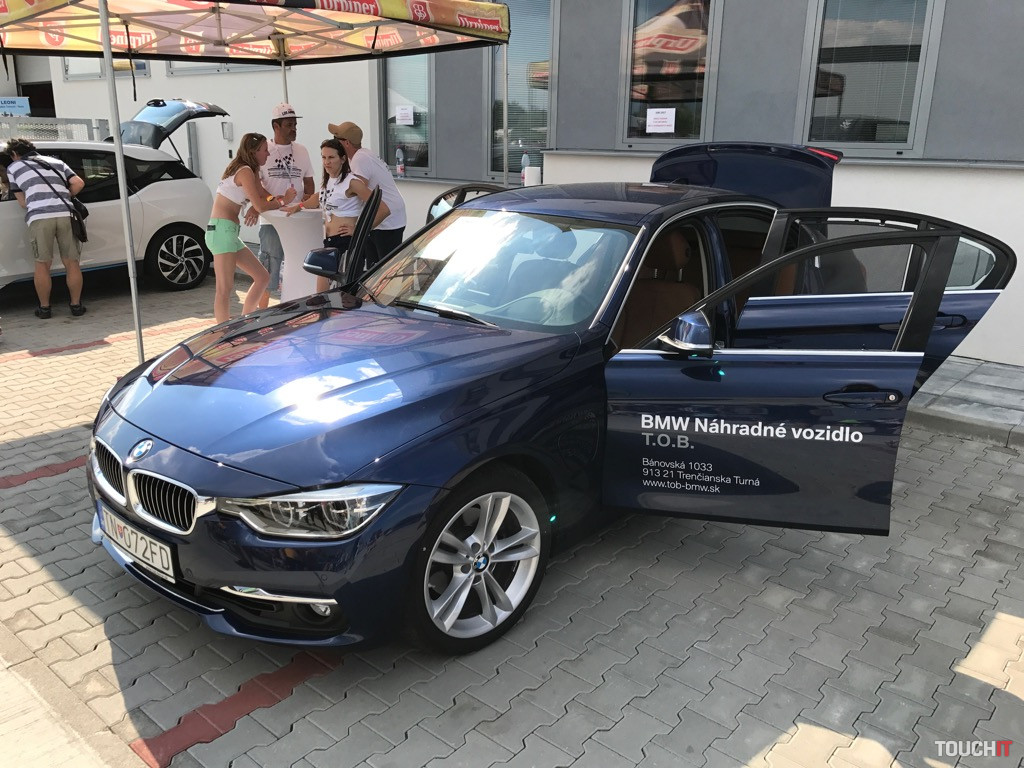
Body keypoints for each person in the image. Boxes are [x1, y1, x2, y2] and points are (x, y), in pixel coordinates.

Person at [207, 132, 297, 324]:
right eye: (265, 150)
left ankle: (246, 321)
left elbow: (264, 195)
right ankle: (223, 332)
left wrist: (277, 199)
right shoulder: (245, 171)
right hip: (222, 231)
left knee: (262, 277)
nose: (268, 154)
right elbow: (261, 205)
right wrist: (282, 201)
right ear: (253, 151)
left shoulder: (252, 171)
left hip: (229, 233)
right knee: (224, 289)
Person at [5, 137, 87, 319]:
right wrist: (63, 197)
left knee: (42, 264)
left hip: (40, 217)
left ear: (14, 153)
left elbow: (23, 203)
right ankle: (76, 306)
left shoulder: (14, 167)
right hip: (65, 214)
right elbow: (79, 183)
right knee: (72, 262)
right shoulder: (56, 162)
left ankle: (44, 309)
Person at [283, 137, 370, 292]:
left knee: (344, 291)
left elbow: (381, 207)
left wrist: (359, 229)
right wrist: (299, 206)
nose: (326, 162)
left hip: (346, 242)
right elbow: (320, 196)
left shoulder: (352, 182)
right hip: (330, 240)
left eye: (331, 157)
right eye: (323, 157)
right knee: (322, 287)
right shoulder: (329, 181)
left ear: (342, 159)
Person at [251, 103, 315, 308]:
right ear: (275, 126)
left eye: (295, 124)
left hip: (298, 219)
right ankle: (262, 313)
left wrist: (305, 204)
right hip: (272, 220)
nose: (294, 128)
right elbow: (255, 186)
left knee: (299, 266)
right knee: (269, 267)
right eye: (289, 125)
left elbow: (309, 183)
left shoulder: (302, 150)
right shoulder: (264, 151)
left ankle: (298, 309)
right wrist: (267, 203)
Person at [327, 121, 408, 271]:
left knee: (385, 271)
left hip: (386, 219)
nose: (334, 144)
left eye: (336, 139)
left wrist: (357, 229)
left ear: (346, 143)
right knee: (374, 270)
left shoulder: (360, 159)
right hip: (384, 216)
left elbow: (355, 193)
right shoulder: (361, 155)